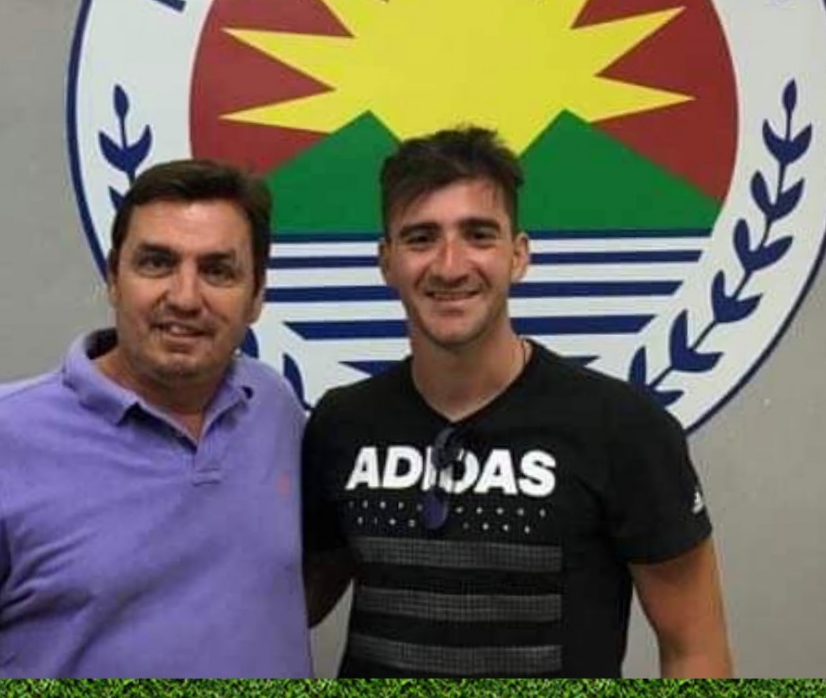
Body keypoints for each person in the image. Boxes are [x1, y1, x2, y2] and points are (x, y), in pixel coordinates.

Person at [303, 126, 732, 678]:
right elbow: (282, 605)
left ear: (518, 255)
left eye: (479, 235)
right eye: (420, 238)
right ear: (386, 261)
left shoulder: (622, 427)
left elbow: (696, 651)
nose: (450, 265)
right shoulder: (341, 424)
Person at [0, 159, 312, 678]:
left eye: (218, 270)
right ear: (113, 279)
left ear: (257, 296)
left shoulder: (274, 408)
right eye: (157, 263)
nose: (184, 297)